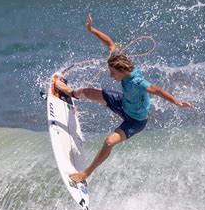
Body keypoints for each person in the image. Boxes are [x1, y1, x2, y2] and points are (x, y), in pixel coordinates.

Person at [55, 14, 194, 183]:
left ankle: (86, 173)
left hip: (135, 121)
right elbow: (110, 43)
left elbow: (157, 90)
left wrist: (177, 102)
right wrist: (91, 29)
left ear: (122, 71)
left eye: (113, 74)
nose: (112, 77)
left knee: (108, 142)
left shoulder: (137, 82)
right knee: (87, 91)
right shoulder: (118, 61)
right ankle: (71, 93)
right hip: (123, 103)